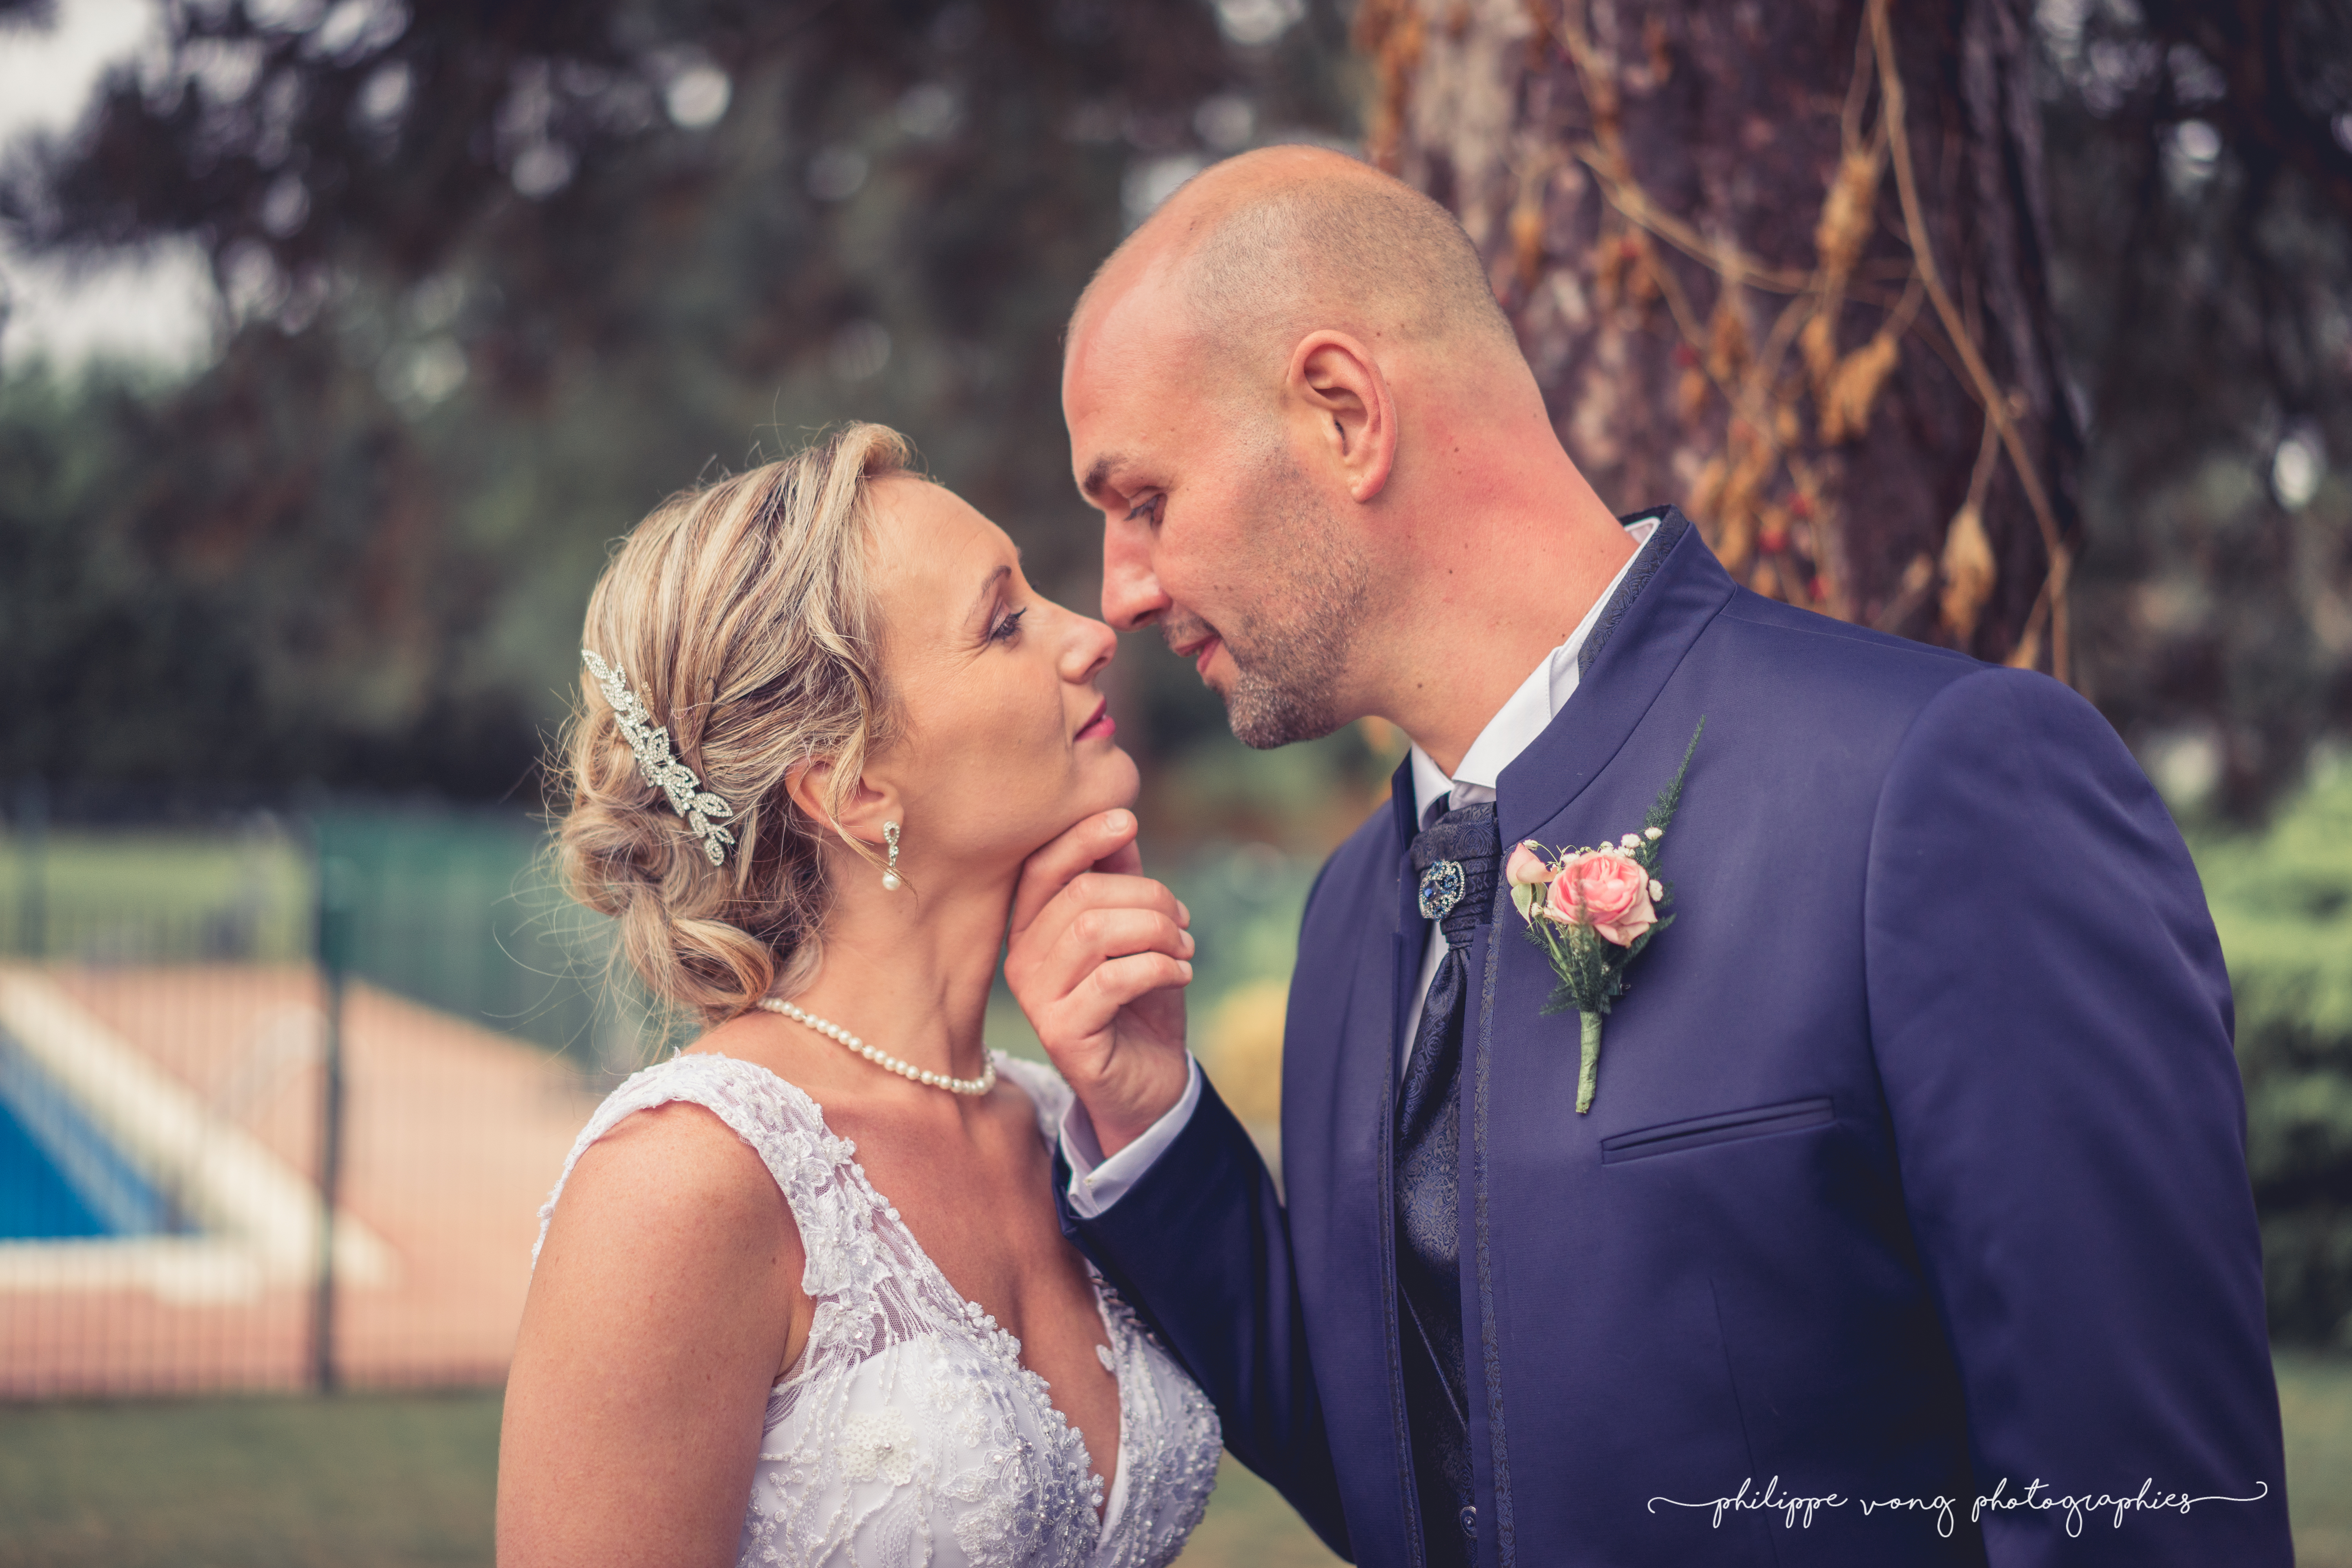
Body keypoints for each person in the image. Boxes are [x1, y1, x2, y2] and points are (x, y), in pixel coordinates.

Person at [1005, 145, 2294, 1566]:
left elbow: (2149, 1515)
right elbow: (1412, 1476)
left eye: (1143, 501)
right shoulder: (1349, 917)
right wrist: (1149, 1119)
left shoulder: (1939, 792)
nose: (1120, 594)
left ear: (1344, 415)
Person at [497, 424, 1221, 1568]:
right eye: (1005, 623)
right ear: (855, 788)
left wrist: (1148, 1109)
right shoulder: (684, 1184)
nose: (1091, 636)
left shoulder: (1059, 1129)